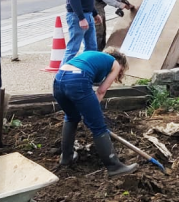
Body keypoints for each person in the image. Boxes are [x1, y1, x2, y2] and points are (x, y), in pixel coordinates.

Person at [53, 47, 138, 176]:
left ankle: (66, 157)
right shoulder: (115, 64)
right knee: (98, 126)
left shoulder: (91, 56)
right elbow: (101, 91)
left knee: (71, 117)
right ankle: (114, 166)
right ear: (120, 63)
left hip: (58, 80)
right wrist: (91, 113)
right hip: (77, 81)